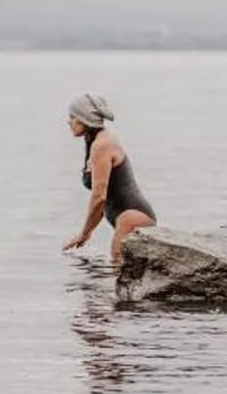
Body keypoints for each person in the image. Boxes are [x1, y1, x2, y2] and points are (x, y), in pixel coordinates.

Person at [61, 93, 156, 266]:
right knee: (118, 278)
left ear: (85, 118)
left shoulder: (102, 145)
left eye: (72, 117)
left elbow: (99, 197)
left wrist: (83, 233)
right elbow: (102, 201)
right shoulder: (97, 142)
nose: (68, 121)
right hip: (131, 218)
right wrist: (88, 232)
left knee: (117, 270)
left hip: (132, 218)